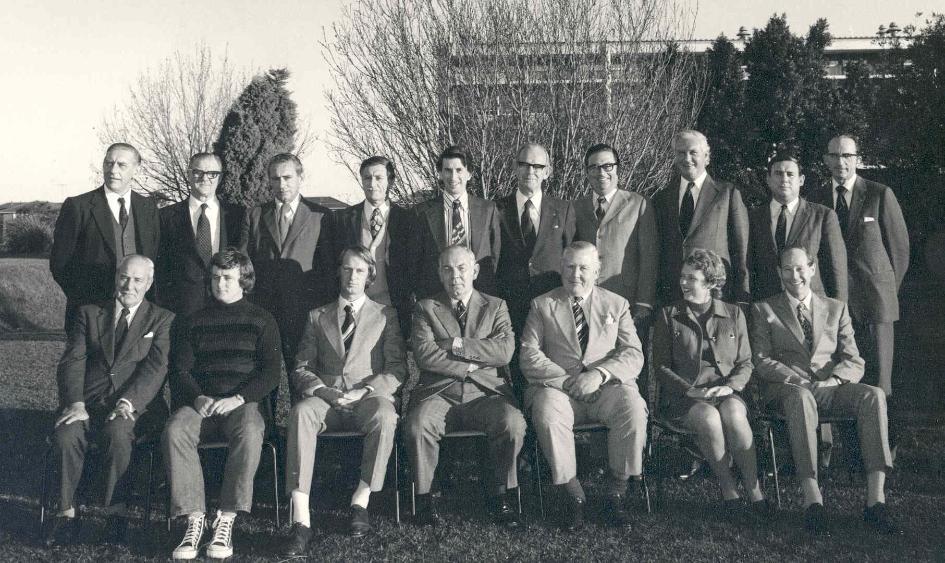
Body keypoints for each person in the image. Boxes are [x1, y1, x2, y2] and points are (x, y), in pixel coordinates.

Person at [750, 246, 899, 535]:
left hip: (829, 388)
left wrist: (834, 380)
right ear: (779, 273)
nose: (795, 276)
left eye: (800, 268)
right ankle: (812, 500)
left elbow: (854, 359)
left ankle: (875, 501)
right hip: (788, 392)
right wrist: (797, 380)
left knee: (873, 395)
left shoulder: (835, 307)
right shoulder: (763, 309)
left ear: (812, 268)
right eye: (788, 270)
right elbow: (761, 360)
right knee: (802, 398)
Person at [281, 246, 406, 554]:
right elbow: (301, 368)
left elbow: (397, 368)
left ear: (370, 277)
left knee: (386, 416)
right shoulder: (316, 316)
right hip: (327, 399)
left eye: (360, 271)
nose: (352, 277)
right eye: (347, 269)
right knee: (300, 414)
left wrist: (364, 391)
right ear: (338, 272)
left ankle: (361, 500)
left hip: (367, 396)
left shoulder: (385, 315)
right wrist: (325, 392)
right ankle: (301, 516)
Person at [43, 255, 174, 546]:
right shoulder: (88, 313)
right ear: (116, 277)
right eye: (124, 277)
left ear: (149, 283)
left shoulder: (162, 318)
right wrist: (75, 403)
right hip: (87, 404)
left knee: (118, 433)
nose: (129, 286)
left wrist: (128, 403)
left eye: (138, 280)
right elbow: (72, 361)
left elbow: (156, 369)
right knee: (66, 435)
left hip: (135, 408)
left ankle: (116, 514)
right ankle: (65, 514)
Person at [162, 248, 281, 560]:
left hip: (241, 404)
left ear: (243, 279)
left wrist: (238, 399)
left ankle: (226, 518)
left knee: (251, 430)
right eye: (215, 277)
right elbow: (181, 371)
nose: (220, 284)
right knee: (175, 430)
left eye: (227, 277)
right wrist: (198, 397)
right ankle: (194, 519)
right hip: (201, 402)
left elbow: (270, 372)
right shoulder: (192, 321)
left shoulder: (262, 320)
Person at [520, 241, 647, 530]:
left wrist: (600, 374)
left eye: (584, 268)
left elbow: (633, 353)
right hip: (561, 391)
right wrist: (567, 381)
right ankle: (573, 495)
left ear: (597, 271)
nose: (575, 274)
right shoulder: (542, 305)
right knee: (546, 410)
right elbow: (529, 354)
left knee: (634, 408)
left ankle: (616, 492)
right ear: (561, 268)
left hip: (606, 389)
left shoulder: (617, 304)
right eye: (570, 266)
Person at [405, 245, 525, 528]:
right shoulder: (425, 308)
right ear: (439, 273)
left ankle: (502, 495)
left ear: (475, 271)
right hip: (439, 392)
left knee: (512, 423)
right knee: (417, 424)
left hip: (485, 393)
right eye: (447, 269)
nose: (454, 276)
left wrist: (457, 345)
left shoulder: (496, 306)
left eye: (461, 269)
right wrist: (470, 363)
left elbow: (504, 352)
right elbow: (425, 355)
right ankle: (425, 499)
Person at [651, 249, 768, 516]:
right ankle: (729, 491)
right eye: (682, 277)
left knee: (735, 414)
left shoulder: (734, 314)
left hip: (725, 391)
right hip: (685, 397)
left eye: (691, 278)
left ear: (710, 282)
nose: (683, 283)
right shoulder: (668, 315)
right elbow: (661, 367)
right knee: (709, 419)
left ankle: (755, 491)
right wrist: (689, 389)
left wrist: (731, 387)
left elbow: (746, 362)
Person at [808, 135, 909, 400]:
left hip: (876, 304)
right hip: (835, 304)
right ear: (826, 160)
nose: (841, 162)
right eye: (835, 156)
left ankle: (884, 439)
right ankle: (849, 442)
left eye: (848, 156)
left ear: (858, 160)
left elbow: (900, 251)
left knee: (879, 381)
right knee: (843, 378)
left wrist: (886, 290)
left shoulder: (879, 194)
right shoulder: (816, 199)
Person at [50, 143, 161, 333]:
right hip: (90, 313)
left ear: (137, 169)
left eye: (121, 165)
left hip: (139, 317)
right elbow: (60, 263)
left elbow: (156, 256)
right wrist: (84, 300)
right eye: (108, 163)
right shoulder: (78, 206)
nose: (113, 170)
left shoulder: (148, 208)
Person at [241, 153, 336, 370]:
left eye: (287, 177)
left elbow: (328, 268)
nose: (281, 184)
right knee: (264, 373)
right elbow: (244, 262)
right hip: (264, 311)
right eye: (275, 179)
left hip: (303, 311)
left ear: (300, 177)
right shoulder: (255, 214)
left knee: (302, 375)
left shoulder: (320, 216)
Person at [495, 143, 575, 398]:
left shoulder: (563, 210)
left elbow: (570, 257)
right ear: (515, 168)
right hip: (511, 304)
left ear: (547, 171)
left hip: (551, 304)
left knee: (551, 372)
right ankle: (525, 434)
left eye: (537, 166)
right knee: (518, 372)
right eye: (524, 164)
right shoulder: (496, 209)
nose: (530, 171)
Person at [652, 130, 749, 305]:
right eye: (681, 153)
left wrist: (742, 296)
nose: (687, 158)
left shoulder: (727, 194)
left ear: (707, 157)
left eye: (693, 153)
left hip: (715, 293)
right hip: (673, 296)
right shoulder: (662, 198)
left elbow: (741, 251)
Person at [573, 143, 659, 333]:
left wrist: (644, 303)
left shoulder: (638, 204)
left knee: (629, 358)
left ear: (617, 168)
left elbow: (649, 258)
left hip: (626, 301)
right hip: (587, 301)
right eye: (593, 167)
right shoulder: (576, 207)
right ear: (587, 172)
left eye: (607, 166)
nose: (601, 172)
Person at [333, 156, 416, 338]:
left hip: (393, 307)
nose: (372, 183)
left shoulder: (408, 220)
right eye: (367, 178)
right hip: (353, 307)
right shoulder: (342, 219)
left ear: (391, 181)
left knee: (393, 361)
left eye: (379, 178)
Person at [748, 150, 847, 302]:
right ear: (768, 179)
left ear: (801, 180)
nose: (784, 179)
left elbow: (836, 271)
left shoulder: (823, 216)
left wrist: (838, 313)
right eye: (778, 173)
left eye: (790, 174)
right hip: (767, 308)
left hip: (812, 306)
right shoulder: (753, 217)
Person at [156, 153, 244, 318]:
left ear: (220, 177)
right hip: (181, 310)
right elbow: (160, 268)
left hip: (227, 309)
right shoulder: (165, 217)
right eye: (198, 172)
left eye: (212, 174)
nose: (205, 178)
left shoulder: (237, 216)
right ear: (189, 174)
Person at [412, 146, 501, 299]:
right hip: (436, 298)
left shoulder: (488, 209)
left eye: (459, 170)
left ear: (469, 173)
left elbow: (496, 255)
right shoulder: (422, 212)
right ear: (440, 174)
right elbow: (415, 260)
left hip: (480, 296)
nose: (453, 177)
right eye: (447, 170)